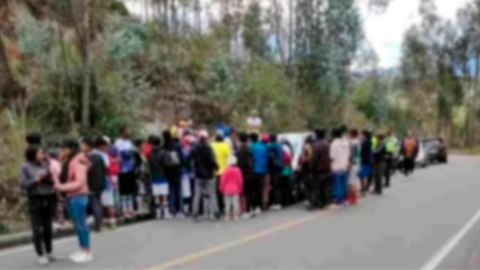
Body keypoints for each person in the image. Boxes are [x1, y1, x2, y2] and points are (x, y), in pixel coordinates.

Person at [55, 139, 93, 263]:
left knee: (81, 224)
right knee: (77, 225)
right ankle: (82, 249)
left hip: (78, 195)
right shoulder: (69, 161)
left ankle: (86, 251)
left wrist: (62, 187)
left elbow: (80, 181)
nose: (61, 151)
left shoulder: (78, 161)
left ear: (69, 149)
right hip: (71, 195)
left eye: (63, 149)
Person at [19, 145, 58, 265]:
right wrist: (36, 180)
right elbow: (23, 184)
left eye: (43, 153)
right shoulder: (25, 166)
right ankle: (40, 254)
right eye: (40, 153)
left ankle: (49, 252)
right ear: (33, 154)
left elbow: (52, 181)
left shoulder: (45, 165)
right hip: (35, 199)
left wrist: (49, 178)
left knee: (48, 227)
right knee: (37, 229)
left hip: (47, 196)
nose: (43, 155)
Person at [190, 130, 219, 221]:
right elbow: (212, 160)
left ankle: (195, 212)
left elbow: (189, 159)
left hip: (198, 175)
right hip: (209, 175)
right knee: (212, 194)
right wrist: (216, 167)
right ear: (206, 138)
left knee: (197, 195)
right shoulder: (209, 148)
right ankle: (215, 211)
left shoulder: (194, 148)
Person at [81, 137, 106, 232]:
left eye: (83, 145)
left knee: (95, 203)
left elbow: (86, 171)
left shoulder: (87, 157)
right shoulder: (99, 156)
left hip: (92, 184)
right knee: (98, 202)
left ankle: (98, 223)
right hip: (100, 182)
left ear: (88, 146)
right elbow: (104, 169)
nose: (82, 147)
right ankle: (99, 221)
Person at [96, 136, 118, 229]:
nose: (107, 148)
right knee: (108, 203)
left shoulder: (96, 154)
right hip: (105, 181)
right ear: (100, 146)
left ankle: (106, 221)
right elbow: (107, 167)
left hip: (102, 181)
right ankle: (112, 222)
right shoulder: (103, 156)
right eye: (105, 146)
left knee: (103, 203)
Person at [114, 126, 136, 219]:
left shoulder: (129, 142)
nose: (127, 133)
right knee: (124, 190)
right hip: (122, 169)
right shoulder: (118, 143)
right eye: (125, 131)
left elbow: (133, 152)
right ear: (121, 133)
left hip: (130, 168)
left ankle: (130, 208)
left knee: (130, 190)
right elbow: (121, 154)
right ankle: (124, 209)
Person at [149, 136, 172, 219]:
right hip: (163, 175)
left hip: (154, 176)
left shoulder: (151, 154)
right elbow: (167, 164)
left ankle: (158, 213)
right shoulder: (163, 152)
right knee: (164, 195)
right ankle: (165, 213)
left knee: (156, 196)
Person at [162, 130, 184, 217]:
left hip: (167, 171)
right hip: (176, 170)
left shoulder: (163, 147)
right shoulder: (177, 146)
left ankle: (170, 208)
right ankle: (178, 209)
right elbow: (182, 158)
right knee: (177, 189)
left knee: (169, 190)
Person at [211, 130, 232, 215]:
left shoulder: (212, 145)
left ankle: (217, 207)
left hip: (213, 171)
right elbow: (228, 156)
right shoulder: (225, 146)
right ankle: (223, 207)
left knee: (215, 191)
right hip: (224, 171)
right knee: (222, 190)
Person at [310, 129, 331, 209]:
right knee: (325, 186)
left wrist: (312, 168)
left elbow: (314, 159)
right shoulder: (327, 144)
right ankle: (325, 202)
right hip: (327, 168)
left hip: (319, 169)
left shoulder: (316, 145)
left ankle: (319, 202)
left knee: (318, 187)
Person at [330, 127, 351, 206]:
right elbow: (349, 155)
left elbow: (332, 157)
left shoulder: (334, 144)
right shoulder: (346, 142)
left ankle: (338, 199)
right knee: (344, 183)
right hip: (344, 165)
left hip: (336, 166)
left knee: (337, 183)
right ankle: (345, 199)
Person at [219, 156, 243, 221]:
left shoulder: (225, 170)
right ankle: (235, 215)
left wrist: (221, 188)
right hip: (235, 188)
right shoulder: (237, 170)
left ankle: (227, 215)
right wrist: (240, 187)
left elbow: (222, 180)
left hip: (226, 189)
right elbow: (240, 180)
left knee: (227, 203)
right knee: (235, 203)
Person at [250, 133, 268, 215]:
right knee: (261, 188)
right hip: (263, 170)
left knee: (255, 189)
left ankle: (255, 206)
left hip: (254, 170)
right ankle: (261, 205)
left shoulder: (251, 147)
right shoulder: (263, 146)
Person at [236, 132, 253, 217]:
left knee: (241, 193)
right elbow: (249, 162)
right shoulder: (247, 149)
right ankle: (247, 210)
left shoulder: (239, 150)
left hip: (241, 172)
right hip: (247, 173)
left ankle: (242, 210)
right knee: (247, 193)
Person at [268, 134, 283, 210]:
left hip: (276, 168)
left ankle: (277, 203)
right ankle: (278, 202)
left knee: (275, 185)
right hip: (280, 166)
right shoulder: (279, 145)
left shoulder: (273, 146)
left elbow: (266, 148)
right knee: (278, 185)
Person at [359, 130, 373, 195]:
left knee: (363, 175)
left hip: (364, 160)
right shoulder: (370, 142)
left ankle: (363, 189)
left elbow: (361, 152)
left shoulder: (364, 143)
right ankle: (366, 188)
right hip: (369, 160)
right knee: (367, 175)